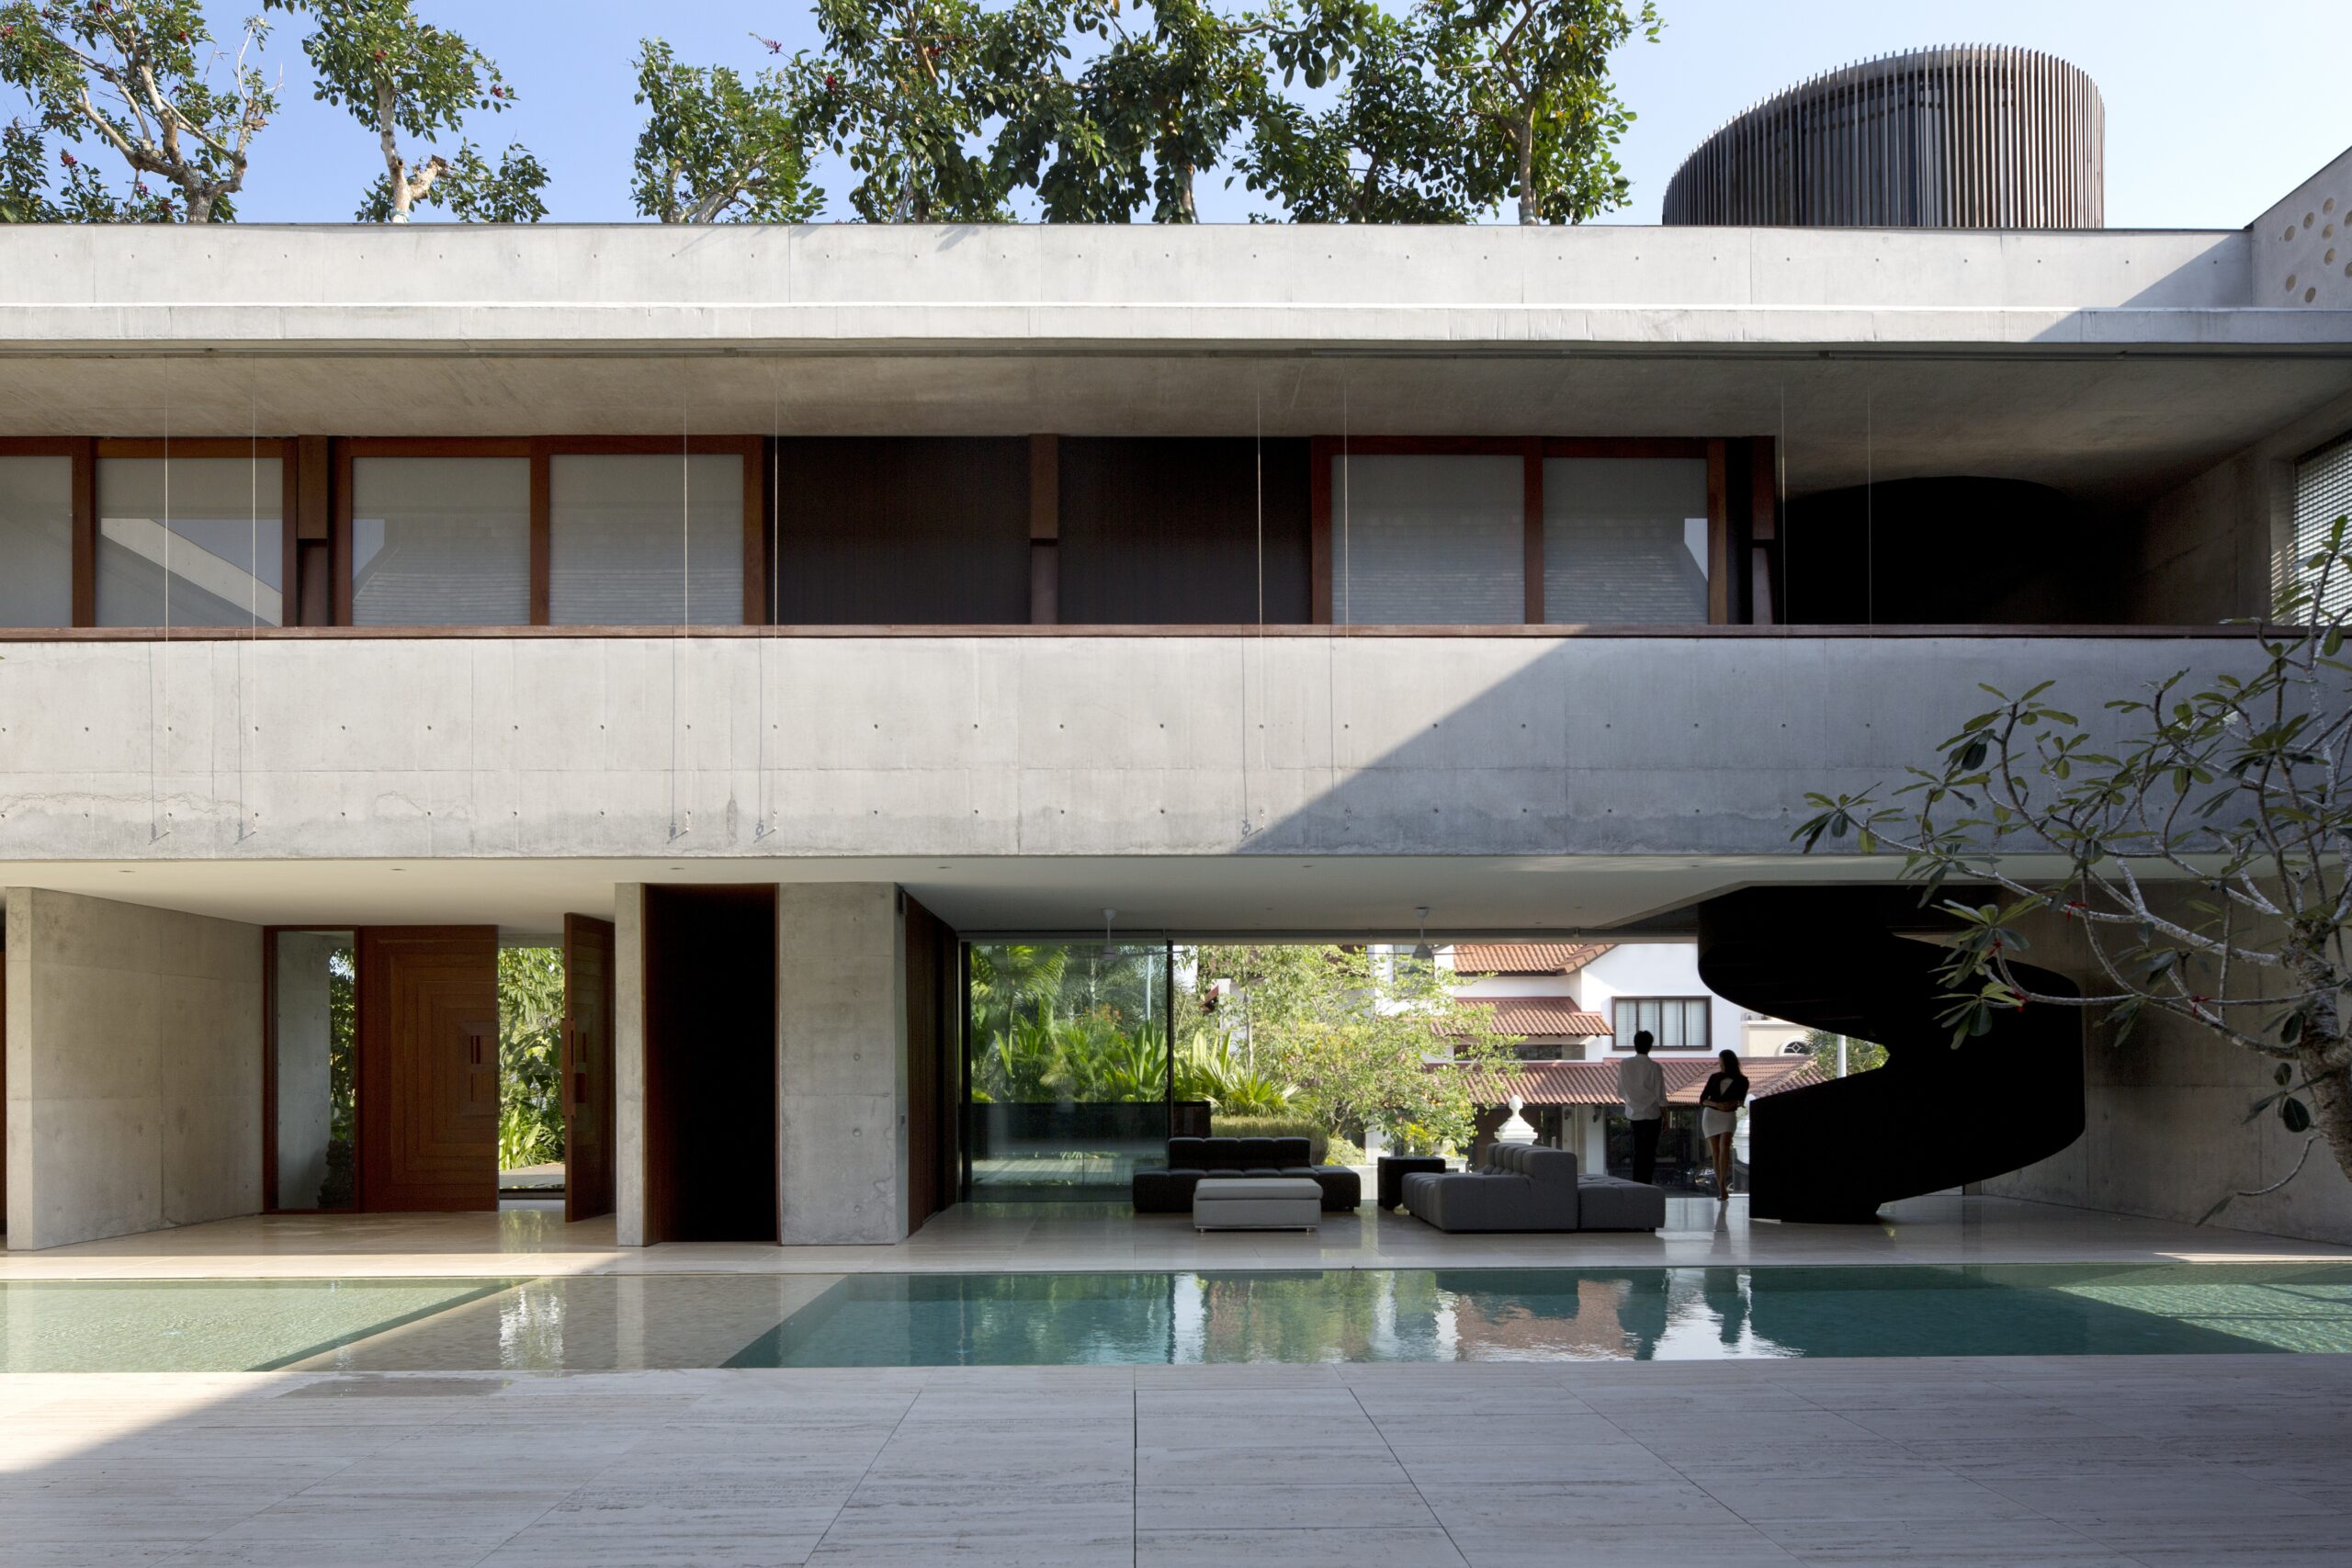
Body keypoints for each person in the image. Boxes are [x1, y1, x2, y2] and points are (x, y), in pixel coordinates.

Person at [1698, 1048, 1750, 1202]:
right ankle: (1721, 1187)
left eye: (1722, 1063)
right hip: (1711, 1114)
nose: (1720, 1066)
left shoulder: (1743, 1080)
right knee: (1715, 1151)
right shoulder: (1714, 1077)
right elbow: (1702, 1099)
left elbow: (1741, 1100)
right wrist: (1717, 1104)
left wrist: (1731, 1103)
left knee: (1724, 1147)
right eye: (1719, 1063)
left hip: (1728, 1115)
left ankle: (1723, 1186)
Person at [1615, 1030, 1667, 1185]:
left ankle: (1638, 1184)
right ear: (1650, 1046)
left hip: (1634, 1114)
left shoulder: (1625, 1064)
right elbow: (1661, 1095)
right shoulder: (1655, 1067)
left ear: (1635, 1044)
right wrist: (1665, 1117)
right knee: (1650, 1153)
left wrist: (1632, 1100)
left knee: (1637, 1152)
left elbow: (1620, 1091)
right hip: (1652, 1114)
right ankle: (1647, 1183)